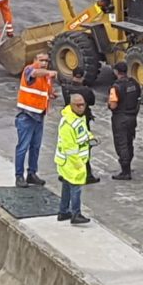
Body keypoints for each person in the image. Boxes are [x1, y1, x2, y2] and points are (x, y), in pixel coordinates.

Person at [15, 52, 57, 188]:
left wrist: (51, 94)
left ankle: (31, 173)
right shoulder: (30, 69)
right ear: (35, 60)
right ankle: (19, 176)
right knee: (23, 147)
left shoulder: (45, 77)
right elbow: (34, 73)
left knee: (35, 147)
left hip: (39, 115)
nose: (44, 63)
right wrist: (48, 72)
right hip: (27, 116)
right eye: (41, 60)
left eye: (46, 60)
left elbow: (44, 91)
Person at [55, 93, 93, 225]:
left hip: (70, 161)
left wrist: (90, 136)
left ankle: (64, 211)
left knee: (67, 185)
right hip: (71, 162)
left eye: (83, 104)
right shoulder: (68, 123)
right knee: (76, 187)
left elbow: (82, 132)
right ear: (71, 105)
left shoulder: (77, 117)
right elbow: (70, 148)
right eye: (78, 105)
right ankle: (76, 214)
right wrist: (79, 164)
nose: (82, 107)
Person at [62, 67, 100, 184]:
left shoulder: (66, 88)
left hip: (69, 121)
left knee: (68, 147)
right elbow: (92, 102)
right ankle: (87, 175)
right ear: (82, 76)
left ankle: (65, 174)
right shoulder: (86, 91)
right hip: (82, 121)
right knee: (84, 148)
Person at [108, 61, 141, 180]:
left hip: (120, 118)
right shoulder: (134, 83)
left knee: (121, 144)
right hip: (132, 117)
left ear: (116, 72)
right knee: (129, 142)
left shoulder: (115, 87)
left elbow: (113, 105)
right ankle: (128, 166)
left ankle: (125, 172)